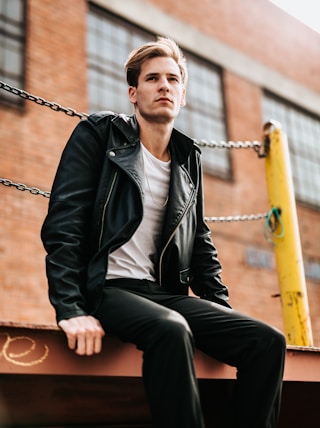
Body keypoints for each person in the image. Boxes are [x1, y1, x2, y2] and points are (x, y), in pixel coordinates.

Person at [41, 37, 286, 428]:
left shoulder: (189, 159)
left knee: (267, 341)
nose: (164, 86)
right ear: (134, 93)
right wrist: (69, 308)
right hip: (107, 288)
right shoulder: (99, 135)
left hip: (167, 294)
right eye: (152, 79)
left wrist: (218, 309)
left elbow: (200, 240)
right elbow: (64, 224)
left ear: (183, 95)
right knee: (172, 330)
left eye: (172, 79)